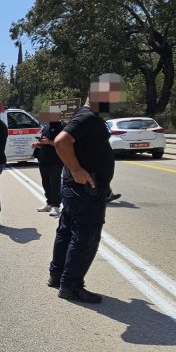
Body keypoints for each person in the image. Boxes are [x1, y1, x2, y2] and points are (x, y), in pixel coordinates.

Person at [49, 73, 123, 304]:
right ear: (92, 94)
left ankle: (57, 275)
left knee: (66, 231)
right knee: (86, 238)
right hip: (85, 189)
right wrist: (77, 170)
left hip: (76, 190)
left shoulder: (87, 116)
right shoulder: (88, 117)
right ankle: (71, 286)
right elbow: (61, 142)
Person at [32, 112, 65, 217]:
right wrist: (38, 144)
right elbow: (43, 141)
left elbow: (63, 143)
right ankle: (49, 203)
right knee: (46, 182)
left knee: (55, 183)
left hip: (55, 160)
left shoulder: (63, 127)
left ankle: (56, 206)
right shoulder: (46, 127)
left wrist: (49, 142)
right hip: (44, 159)